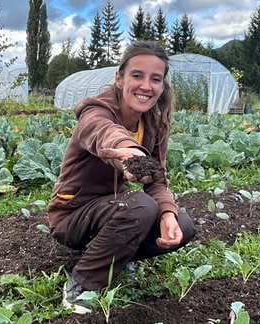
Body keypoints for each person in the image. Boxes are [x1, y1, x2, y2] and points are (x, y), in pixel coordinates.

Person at [47, 40, 195, 315]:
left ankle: (116, 256)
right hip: (73, 214)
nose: (145, 86)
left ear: (162, 86)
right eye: (137, 75)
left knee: (182, 224)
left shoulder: (153, 124)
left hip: (115, 209)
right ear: (119, 78)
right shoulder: (96, 111)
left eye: (155, 79)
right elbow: (103, 131)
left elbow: (157, 181)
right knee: (140, 206)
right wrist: (128, 152)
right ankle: (81, 284)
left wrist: (167, 215)